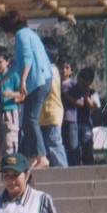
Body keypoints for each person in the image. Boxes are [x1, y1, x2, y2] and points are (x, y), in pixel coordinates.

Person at [0, 10, 53, 169]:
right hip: (40, 81)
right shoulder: (29, 34)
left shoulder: (21, 35)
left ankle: (42, 156)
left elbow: (28, 58)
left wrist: (22, 81)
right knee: (28, 120)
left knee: (30, 119)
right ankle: (34, 156)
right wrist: (3, 79)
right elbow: (16, 63)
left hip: (38, 81)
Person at [0, 46, 23, 169]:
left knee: (9, 141)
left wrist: (11, 94)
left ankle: (11, 168)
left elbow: (22, 94)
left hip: (9, 112)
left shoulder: (13, 75)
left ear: (7, 61)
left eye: (0, 62)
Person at [39, 37, 68, 167]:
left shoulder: (50, 70)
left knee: (54, 144)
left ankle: (63, 170)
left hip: (52, 113)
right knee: (47, 145)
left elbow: (44, 88)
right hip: (44, 114)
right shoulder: (49, 69)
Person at [75, 67, 101, 165]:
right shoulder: (74, 91)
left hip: (86, 123)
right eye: (81, 78)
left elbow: (95, 106)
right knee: (74, 148)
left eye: (86, 79)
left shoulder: (92, 92)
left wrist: (86, 96)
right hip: (75, 122)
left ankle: (89, 166)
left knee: (87, 148)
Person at [59, 55, 79, 166]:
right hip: (59, 121)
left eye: (67, 68)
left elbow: (80, 102)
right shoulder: (56, 83)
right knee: (63, 146)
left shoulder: (74, 84)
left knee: (73, 147)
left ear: (71, 70)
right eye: (62, 68)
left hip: (71, 120)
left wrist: (68, 96)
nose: (64, 70)